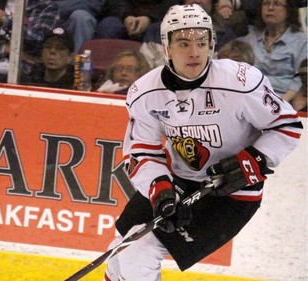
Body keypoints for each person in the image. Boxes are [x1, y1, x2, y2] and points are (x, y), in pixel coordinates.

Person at [103, 4, 303, 280]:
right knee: (120, 248)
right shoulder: (145, 93)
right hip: (177, 182)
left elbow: (287, 126)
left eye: (202, 42)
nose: (194, 52)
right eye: (184, 43)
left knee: (140, 250)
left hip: (231, 195)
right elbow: (142, 151)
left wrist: (255, 159)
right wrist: (159, 188)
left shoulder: (239, 82)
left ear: (211, 44)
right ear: (167, 48)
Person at [0, 0, 61, 82]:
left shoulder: (46, 6)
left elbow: (40, 43)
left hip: (26, 77)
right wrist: (5, 49)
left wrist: (4, 19)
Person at [238, 0, 307, 99]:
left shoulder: (302, 41)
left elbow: (300, 79)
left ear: (288, 11)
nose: (270, 8)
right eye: (266, 4)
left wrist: (281, 104)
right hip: (250, 98)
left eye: (277, 4)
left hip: (284, 100)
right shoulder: (250, 38)